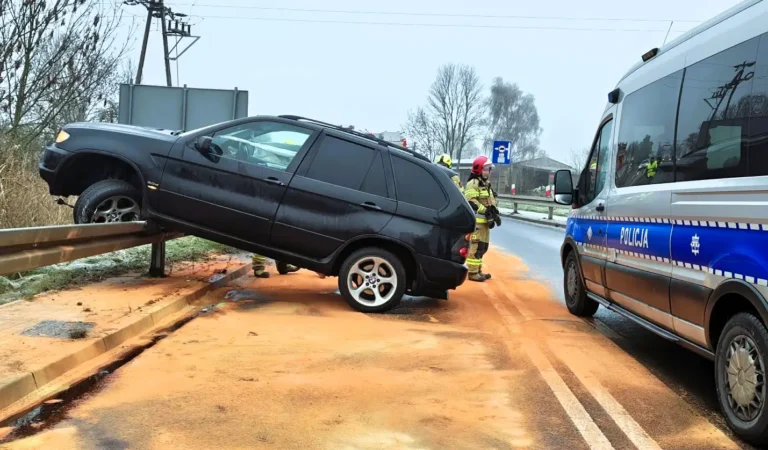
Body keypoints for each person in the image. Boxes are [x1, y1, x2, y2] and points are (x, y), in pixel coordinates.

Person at [463, 155, 497, 282]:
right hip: (478, 222)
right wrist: (486, 211)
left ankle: (478, 270)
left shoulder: (485, 184)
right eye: (486, 169)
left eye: (489, 169)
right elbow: (471, 201)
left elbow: (490, 200)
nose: (488, 172)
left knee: (482, 247)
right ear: (479, 169)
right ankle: (472, 273)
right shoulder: (473, 183)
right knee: (476, 247)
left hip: (485, 222)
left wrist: (494, 212)